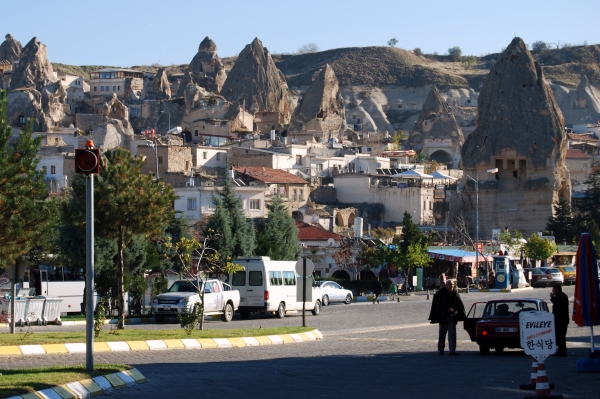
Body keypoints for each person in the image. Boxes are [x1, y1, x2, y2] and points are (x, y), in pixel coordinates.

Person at [428, 279, 466, 356]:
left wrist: (456, 311)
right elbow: (437, 305)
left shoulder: (455, 294)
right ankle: (441, 349)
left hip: (452, 317)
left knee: (452, 334)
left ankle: (452, 350)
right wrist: (446, 309)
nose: (451, 286)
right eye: (450, 284)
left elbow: (460, 305)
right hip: (443, 317)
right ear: (446, 285)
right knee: (442, 334)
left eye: (452, 285)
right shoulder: (440, 294)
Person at [550, 283, 569, 357]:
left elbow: (558, 305)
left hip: (562, 320)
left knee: (561, 336)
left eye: (554, 289)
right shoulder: (558, 296)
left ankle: (562, 351)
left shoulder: (562, 296)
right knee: (558, 336)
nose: (553, 291)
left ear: (557, 290)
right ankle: (560, 350)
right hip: (558, 319)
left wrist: (552, 298)